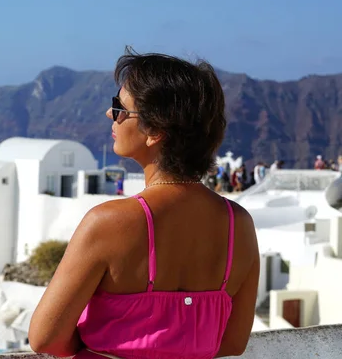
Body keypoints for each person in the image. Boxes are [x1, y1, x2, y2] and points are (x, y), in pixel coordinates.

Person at [29, 50, 259, 359]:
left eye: (120, 108)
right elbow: (232, 343)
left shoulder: (109, 221)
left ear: (155, 131)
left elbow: (45, 339)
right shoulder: (239, 224)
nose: (110, 115)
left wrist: (101, 347)